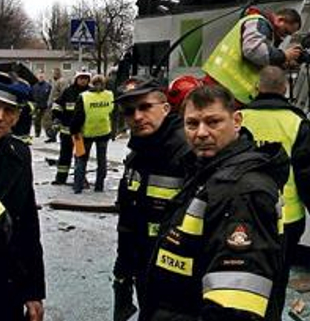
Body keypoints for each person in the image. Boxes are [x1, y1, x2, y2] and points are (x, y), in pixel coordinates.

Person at [141, 85, 289, 321]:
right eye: (192, 124)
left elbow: (234, 309)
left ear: (237, 120)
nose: (201, 133)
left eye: (213, 122)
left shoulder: (240, 191)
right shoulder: (207, 173)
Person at [240, 66, 310, 315]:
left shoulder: (238, 119)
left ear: (257, 88)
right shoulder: (297, 123)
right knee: (276, 282)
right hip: (286, 221)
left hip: (242, 216)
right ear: (285, 88)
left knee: (241, 279)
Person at [112, 75, 191, 321]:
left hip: (179, 274)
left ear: (166, 108)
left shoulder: (187, 152)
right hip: (146, 267)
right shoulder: (138, 152)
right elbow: (129, 216)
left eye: (145, 107)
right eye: (129, 111)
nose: (136, 117)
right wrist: (123, 268)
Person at [0, 73, 46, 321]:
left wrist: (33, 291)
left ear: (17, 117)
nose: (0, 117)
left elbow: (27, 225)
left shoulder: (19, 154)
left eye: (8, 110)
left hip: (6, 286)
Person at [202, 7, 304, 105]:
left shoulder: (263, 29)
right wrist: (283, 55)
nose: (284, 36)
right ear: (280, 20)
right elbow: (253, 51)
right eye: (285, 31)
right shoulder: (261, 23)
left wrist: (283, 63)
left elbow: (259, 59)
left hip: (226, 87)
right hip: (224, 87)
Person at [70, 74, 115, 194]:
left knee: (81, 159)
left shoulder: (84, 97)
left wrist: (74, 131)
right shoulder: (109, 95)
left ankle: (78, 186)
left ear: (92, 83)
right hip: (104, 132)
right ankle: (99, 186)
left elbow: (78, 116)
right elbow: (112, 112)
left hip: (86, 133)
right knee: (102, 160)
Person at [51, 70, 91, 184]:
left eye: (85, 78)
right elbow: (57, 105)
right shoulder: (68, 91)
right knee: (64, 155)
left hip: (80, 132)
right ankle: (60, 178)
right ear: (76, 79)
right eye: (81, 78)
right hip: (66, 130)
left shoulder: (90, 93)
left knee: (80, 156)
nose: (83, 80)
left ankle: (80, 179)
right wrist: (57, 117)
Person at [47, 68, 69, 142]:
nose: (53, 74)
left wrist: (59, 101)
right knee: (54, 121)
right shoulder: (55, 81)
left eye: (54, 73)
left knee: (57, 120)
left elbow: (63, 92)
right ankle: (53, 136)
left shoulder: (62, 81)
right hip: (54, 103)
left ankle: (54, 136)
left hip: (58, 104)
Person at [31, 73, 52, 138]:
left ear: (44, 77)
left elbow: (50, 95)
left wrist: (49, 103)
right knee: (37, 120)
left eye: (42, 77)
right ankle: (37, 133)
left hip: (45, 106)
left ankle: (49, 134)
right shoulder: (34, 86)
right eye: (39, 77)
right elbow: (32, 96)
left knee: (46, 121)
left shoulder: (48, 86)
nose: (41, 78)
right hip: (37, 106)